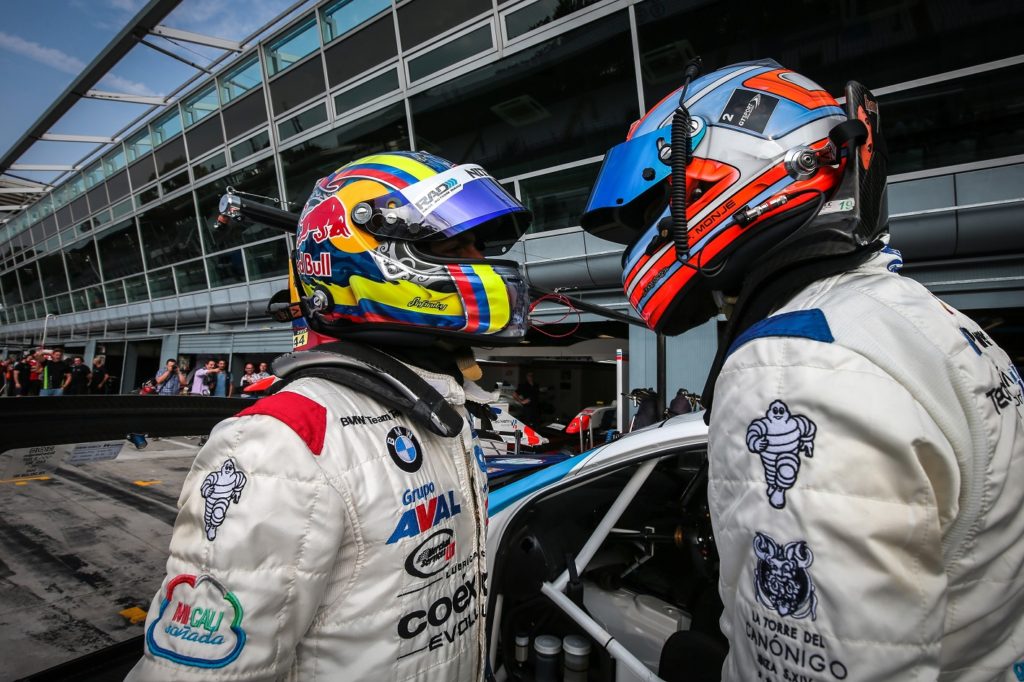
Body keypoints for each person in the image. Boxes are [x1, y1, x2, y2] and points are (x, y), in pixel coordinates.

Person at [581, 58, 1024, 680]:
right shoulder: (918, 319)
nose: (640, 237)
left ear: (721, 175)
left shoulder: (797, 364)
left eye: (656, 199)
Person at [127, 151, 531, 681]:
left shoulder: (440, 409)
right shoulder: (283, 441)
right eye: (456, 245)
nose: (479, 261)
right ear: (364, 255)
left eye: (480, 245)